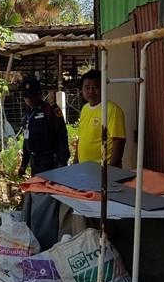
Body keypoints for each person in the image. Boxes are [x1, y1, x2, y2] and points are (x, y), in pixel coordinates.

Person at [17, 78, 70, 251]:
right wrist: (23, 164)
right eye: (26, 97)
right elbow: (26, 141)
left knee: (48, 200)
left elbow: (62, 138)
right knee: (36, 197)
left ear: (39, 94)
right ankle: (36, 233)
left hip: (50, 161)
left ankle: (49, 239)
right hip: (35, 161)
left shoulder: (51, 110)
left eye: (32, 96)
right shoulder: (27, 114)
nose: (29, 99)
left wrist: (62, 162)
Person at [75, 69, 126, 167]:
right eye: (87, 87)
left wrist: (111, 170)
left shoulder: (112, 110)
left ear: (103, 88)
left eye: (95, 87)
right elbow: (80, 139)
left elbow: (119, 141)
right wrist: (75, 164)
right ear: (82, 89)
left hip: (103, 169)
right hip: (84, 169)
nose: (91, 91)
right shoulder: (85, 109)